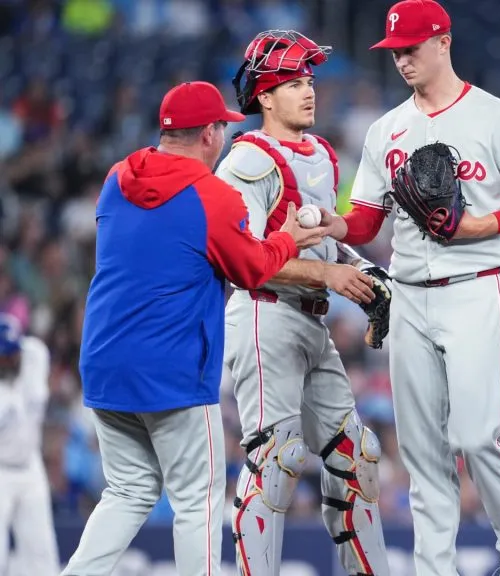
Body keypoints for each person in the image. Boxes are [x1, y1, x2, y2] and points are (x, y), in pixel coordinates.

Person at [335, 1, 500, 574]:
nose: (403, 60)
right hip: (408, 292)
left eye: (412, 48)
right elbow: (364, 221)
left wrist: (483, 224)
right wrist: (326, 224)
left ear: (444, 42)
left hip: (476, 285)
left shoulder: (497, 117)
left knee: (479, 435)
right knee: (422, 453)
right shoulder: (386, 128)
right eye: (395, 52)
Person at [63, 80, 323, 576]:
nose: (224, 135)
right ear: (209, 134)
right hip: (171, 371)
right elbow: (251, 270)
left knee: (129, 489)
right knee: (197, 499)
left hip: (104, 362)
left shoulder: (117, 177)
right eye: (222, 126)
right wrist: (287, 239)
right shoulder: (213, 195)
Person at [217, 30, 391, 576]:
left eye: (310, 80)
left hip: (311, 322)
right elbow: (240, 257)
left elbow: (329, 243)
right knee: (277, 459)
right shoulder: (246, 161)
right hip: (264, 312)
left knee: (356, 455)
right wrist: (329, 273)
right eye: (292, 83)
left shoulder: (321, 154)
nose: (309, 91)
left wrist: (361, 273)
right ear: (264, 98)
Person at [0, 315, 59, 576]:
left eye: (13, 353)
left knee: (42, 554)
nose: (10, 359)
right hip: (1, 470)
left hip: (31, 466)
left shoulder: (35, 354)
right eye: (4, 355)